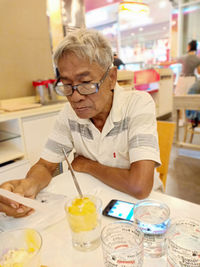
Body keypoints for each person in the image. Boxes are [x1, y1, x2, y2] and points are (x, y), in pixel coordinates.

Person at [0, 29, 160, 218]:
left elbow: (139, 186)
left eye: (86, 83)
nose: (75, 97)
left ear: (111, 78)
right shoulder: (69, 115)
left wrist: (88, 166)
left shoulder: (138, 104)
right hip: (96, 199)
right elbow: (46, 165)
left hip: (143, 207)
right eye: (67, 85)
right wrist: (29, 185)